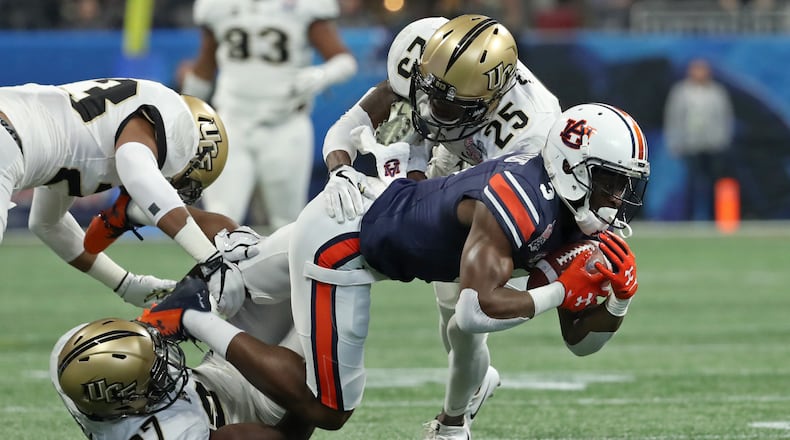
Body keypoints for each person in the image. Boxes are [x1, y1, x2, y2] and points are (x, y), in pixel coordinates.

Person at [139, 102, 651, 437]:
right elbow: (474, 311)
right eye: (609, 181)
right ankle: (190, 316)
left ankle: (139, 216)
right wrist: (561, 290)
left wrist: (618, 301)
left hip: (363, 217)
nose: (617, 198)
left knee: (242, 270)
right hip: (345, 242)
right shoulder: (521, 201)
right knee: (328, 409)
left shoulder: (567, 211)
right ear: (570, 167)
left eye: (625, 185)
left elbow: (579, 343)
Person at [320, 14, 562, 437]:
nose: (430, 110)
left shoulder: (530, 134)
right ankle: (471, 386)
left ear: (488, 102)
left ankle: (453, 422)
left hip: (498, 189)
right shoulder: (428, 51)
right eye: (427, 91)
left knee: (465, 318)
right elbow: (348, 126)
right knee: (449, 317)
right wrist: (343, 170)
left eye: (448, 105)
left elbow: (504, 214)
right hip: (455, 158)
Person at [0, 77, 243, 314]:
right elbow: (137, 170)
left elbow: (47, 224)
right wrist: (210, 260)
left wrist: (125, 284)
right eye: (182, 183)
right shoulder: (176, 124)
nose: (174, 189)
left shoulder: (76, 134)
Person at [181, 0, 358, 230]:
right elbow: (205, 65)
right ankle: (220, 267)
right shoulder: (217, 6)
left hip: (284, 124)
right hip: (231, 123)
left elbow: (345, 61)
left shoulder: (306, 6)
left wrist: (320, 75)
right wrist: (184, 110)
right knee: (221, 215)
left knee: (286, 223)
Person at [51, 285, 313, 439]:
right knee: (323, 302)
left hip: (218, 369)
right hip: (261, 402)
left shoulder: (69, 357)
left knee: (287, 270)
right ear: (126, 400)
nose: (166, 366)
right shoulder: (173, 432)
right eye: (155, 374)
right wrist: (309, 400)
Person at [664, 57, 734, 221]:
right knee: (691, 182)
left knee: (712, 182)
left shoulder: (717, 92)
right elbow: (674, 118)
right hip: (689, 144)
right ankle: (690, 217)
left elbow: (724, 117)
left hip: (712, 144)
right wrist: (674, 142)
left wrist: (723, 140)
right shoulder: (681, 91)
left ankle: (712, 216)